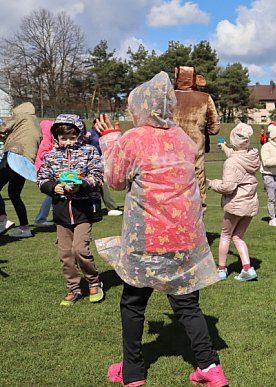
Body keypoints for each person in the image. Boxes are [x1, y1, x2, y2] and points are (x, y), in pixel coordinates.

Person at [95, 72, 228, 387]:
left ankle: (133, 372)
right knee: (186, 302)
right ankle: (210, 368)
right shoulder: (181, 137)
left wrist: (110, 138)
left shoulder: (134, 138)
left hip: (148, 239)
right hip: (185, 237)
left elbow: (114, 180)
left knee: (133, 302)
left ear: (140, 106)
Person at [37, 114, 105, 306]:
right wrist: (53, 187)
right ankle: (74, 288)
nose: (67, 142)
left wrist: (82, 185)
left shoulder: (89, 151)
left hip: (83, 210)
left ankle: (94, 282)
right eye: (63, 138)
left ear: (80, 135)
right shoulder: (50, 156)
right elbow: (42, 179)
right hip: (61, 212)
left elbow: (98, 176)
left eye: (72, 137)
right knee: (65, 254)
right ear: (56, 138)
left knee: (80, 249)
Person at [208, 123, 260, 281]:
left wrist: (213, 183)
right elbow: (236, 155)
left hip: (236, 204)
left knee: (225, 235)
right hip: (250, 203)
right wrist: (224, 147)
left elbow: (228, 187)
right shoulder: (251, 155)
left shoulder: (231, 163)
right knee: (238, 236)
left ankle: (222, 270)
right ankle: (247, 268)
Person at [173, 66, 220, 210]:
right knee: (197, 189)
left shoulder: (167, 96)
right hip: (195, 152)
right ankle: (197, 226)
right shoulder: (205, 98)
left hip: (170, 152)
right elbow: (215, 128)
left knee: (172, 190)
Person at [0, 102, 41, 237]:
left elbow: (4, 127)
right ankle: (25, 228)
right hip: (25, 162)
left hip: (14, 155)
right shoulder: (35, 122)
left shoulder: (22, 116)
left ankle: (2, 219)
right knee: (14, 194)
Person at [85, 118, 122, 216]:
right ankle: (102, 208)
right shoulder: (90, 133)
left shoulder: (103, 133)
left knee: (103, 183)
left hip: (102, 161)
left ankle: (110, 207)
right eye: (99, 123)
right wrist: (85, 137)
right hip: (90, 161)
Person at [33, 119, 55, 227]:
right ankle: (40, 218)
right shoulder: (46, 140)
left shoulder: (43, 138)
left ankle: (44, 217)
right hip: (44, 170)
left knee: (53, 194)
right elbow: (44, 155)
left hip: (42, 169)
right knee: (52, 194)